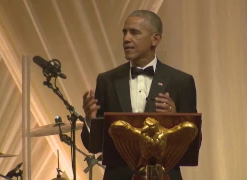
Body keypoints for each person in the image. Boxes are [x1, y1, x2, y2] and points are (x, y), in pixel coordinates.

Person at [81, 10, 200, 180]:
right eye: (125, 32)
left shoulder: (181, 81)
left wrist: (176, 119)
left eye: (134, 32)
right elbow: (93, 146)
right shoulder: (106, 80)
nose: (126, 39)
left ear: (155, 39)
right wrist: (90, 120)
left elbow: (193, 145)